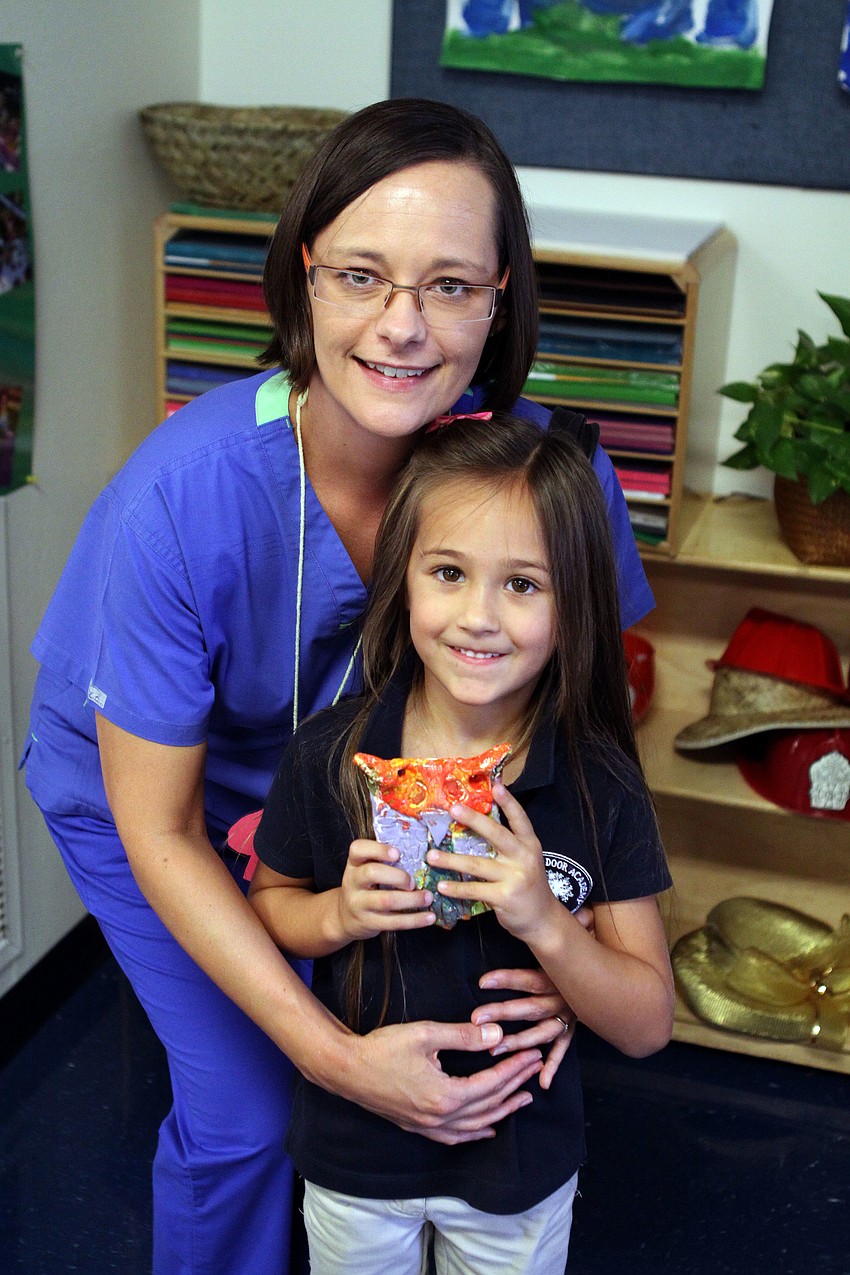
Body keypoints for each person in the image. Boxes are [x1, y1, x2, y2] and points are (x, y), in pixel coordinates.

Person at [21, 98, 655, 1275]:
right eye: (361, 275)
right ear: (303, 273)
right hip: (164, 804)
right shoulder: (184, 495)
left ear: (501, 297)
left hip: (375, 804)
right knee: (254, 1117)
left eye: (451, 286)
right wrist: (330, 1056)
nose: (401, 327)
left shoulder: (548, 477)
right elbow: (160, 828)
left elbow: (595, 722)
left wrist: (573, 953)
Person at [249, 412, 675, 1274]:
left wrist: (547, 922)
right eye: (449, 572)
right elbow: (270, 903)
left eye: (522, 583)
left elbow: (648, 1023)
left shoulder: (600, 783)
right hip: (356, 1152)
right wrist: (337, 914)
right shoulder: (330, 755)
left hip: (519, 1169)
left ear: (575, 602)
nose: (479, 616)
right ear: (402, 579)